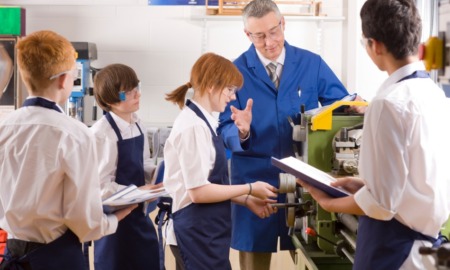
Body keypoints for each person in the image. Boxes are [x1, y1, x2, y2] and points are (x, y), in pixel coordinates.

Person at [297, 0, 450, 269]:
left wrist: (330, 205)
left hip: (393, 250)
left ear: (375, 45)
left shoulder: (387, 103)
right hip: (427, 249)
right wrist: (363, 184)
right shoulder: (435, 95)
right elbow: (415, 179)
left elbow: (381, 205)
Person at [217, 0, 363, 268]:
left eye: (273, 31)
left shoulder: (311, 64)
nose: (269, 41)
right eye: (259, 36)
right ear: (247, 35)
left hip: (305, 180)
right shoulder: (234, 71)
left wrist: (354, 103)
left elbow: (341, 104)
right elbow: (224, 128)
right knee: (253, 260)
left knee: (314, 251)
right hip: (255, 181)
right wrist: (242, 131)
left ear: (283, 23)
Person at [0, 30, 134, 270]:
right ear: (63, 80)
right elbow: (83, 218)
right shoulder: (74, 133)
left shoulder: (4, 127)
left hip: (13, 255)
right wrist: (112, 220)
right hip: (56, 258)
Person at [164, 52, 278, 270]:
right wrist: (250, 188)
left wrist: (246, 200)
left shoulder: (204, 122)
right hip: (195, 234)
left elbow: (209, 184)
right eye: (230, 89)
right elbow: (198, 192)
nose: (233, 97)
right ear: (211, 85)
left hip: (206, 232)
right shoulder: (194, 127)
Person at [90, 63, 161, 270]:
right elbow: (100, 188)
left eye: (137, 87)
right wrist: (138, 191)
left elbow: (144, 164)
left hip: (140, 218)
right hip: (114, 227)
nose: (137, 95)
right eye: (128, 92)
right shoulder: (101, 134)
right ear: (111, 99)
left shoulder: (138, 123)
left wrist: (159, 177)